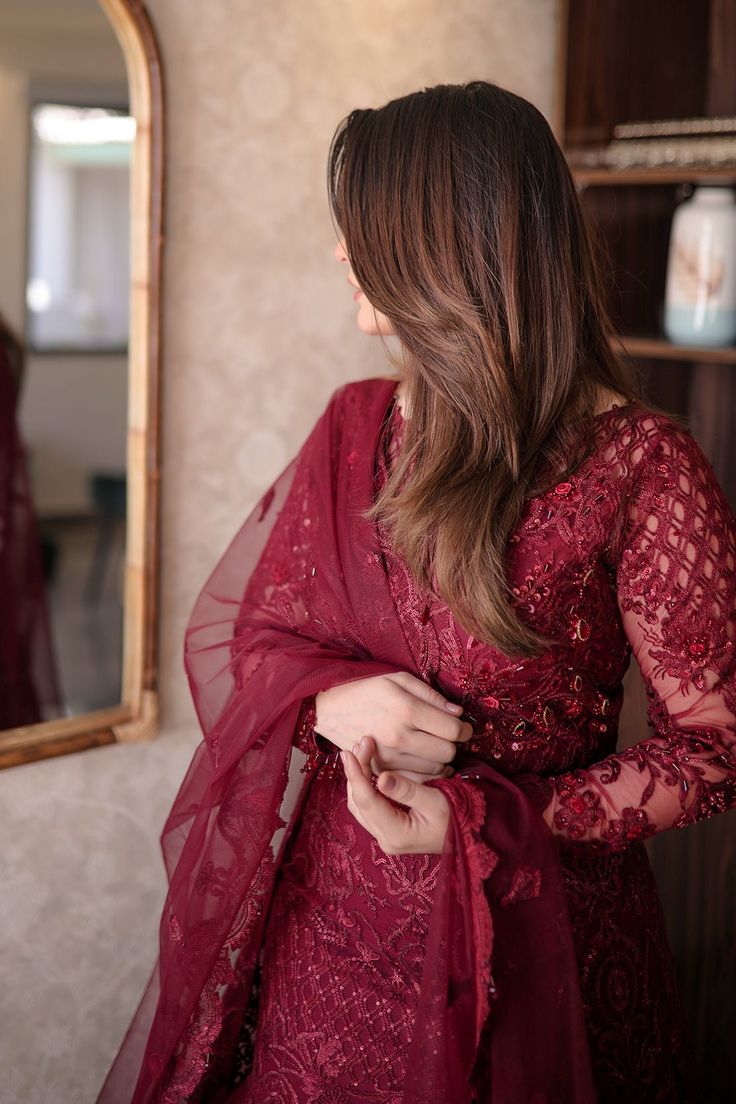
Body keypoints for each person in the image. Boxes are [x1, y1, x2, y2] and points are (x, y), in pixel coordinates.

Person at [97, 81, 736, 1104]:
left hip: (530, 944)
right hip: (331, 931)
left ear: (446, 252)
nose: (340, 254)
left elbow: (712, 747)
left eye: (361, 232)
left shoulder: (641, 468)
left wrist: (488, 823)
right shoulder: (356, 426)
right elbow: (247, 634)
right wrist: (325, 699)